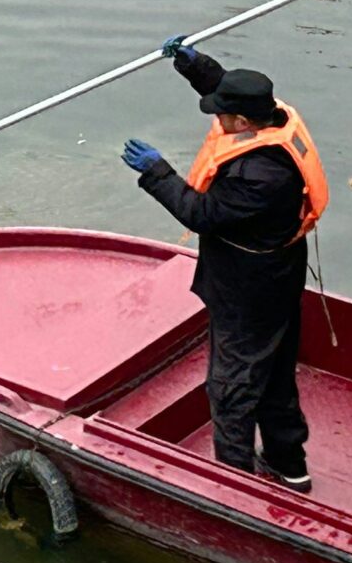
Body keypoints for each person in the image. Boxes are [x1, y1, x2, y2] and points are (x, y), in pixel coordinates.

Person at [121, 39, 328, 490]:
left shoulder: (261, 176)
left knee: (231, 384)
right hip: (281, 274)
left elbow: (202, 214)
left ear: (241, 122)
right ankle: (290, 467)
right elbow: (227, 89)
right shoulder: (275, 116)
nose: (217, 120)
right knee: (274, 375)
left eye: (221, 115)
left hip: (248, 289)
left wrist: (157, 172)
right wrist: (194, 65)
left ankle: (236, 487)